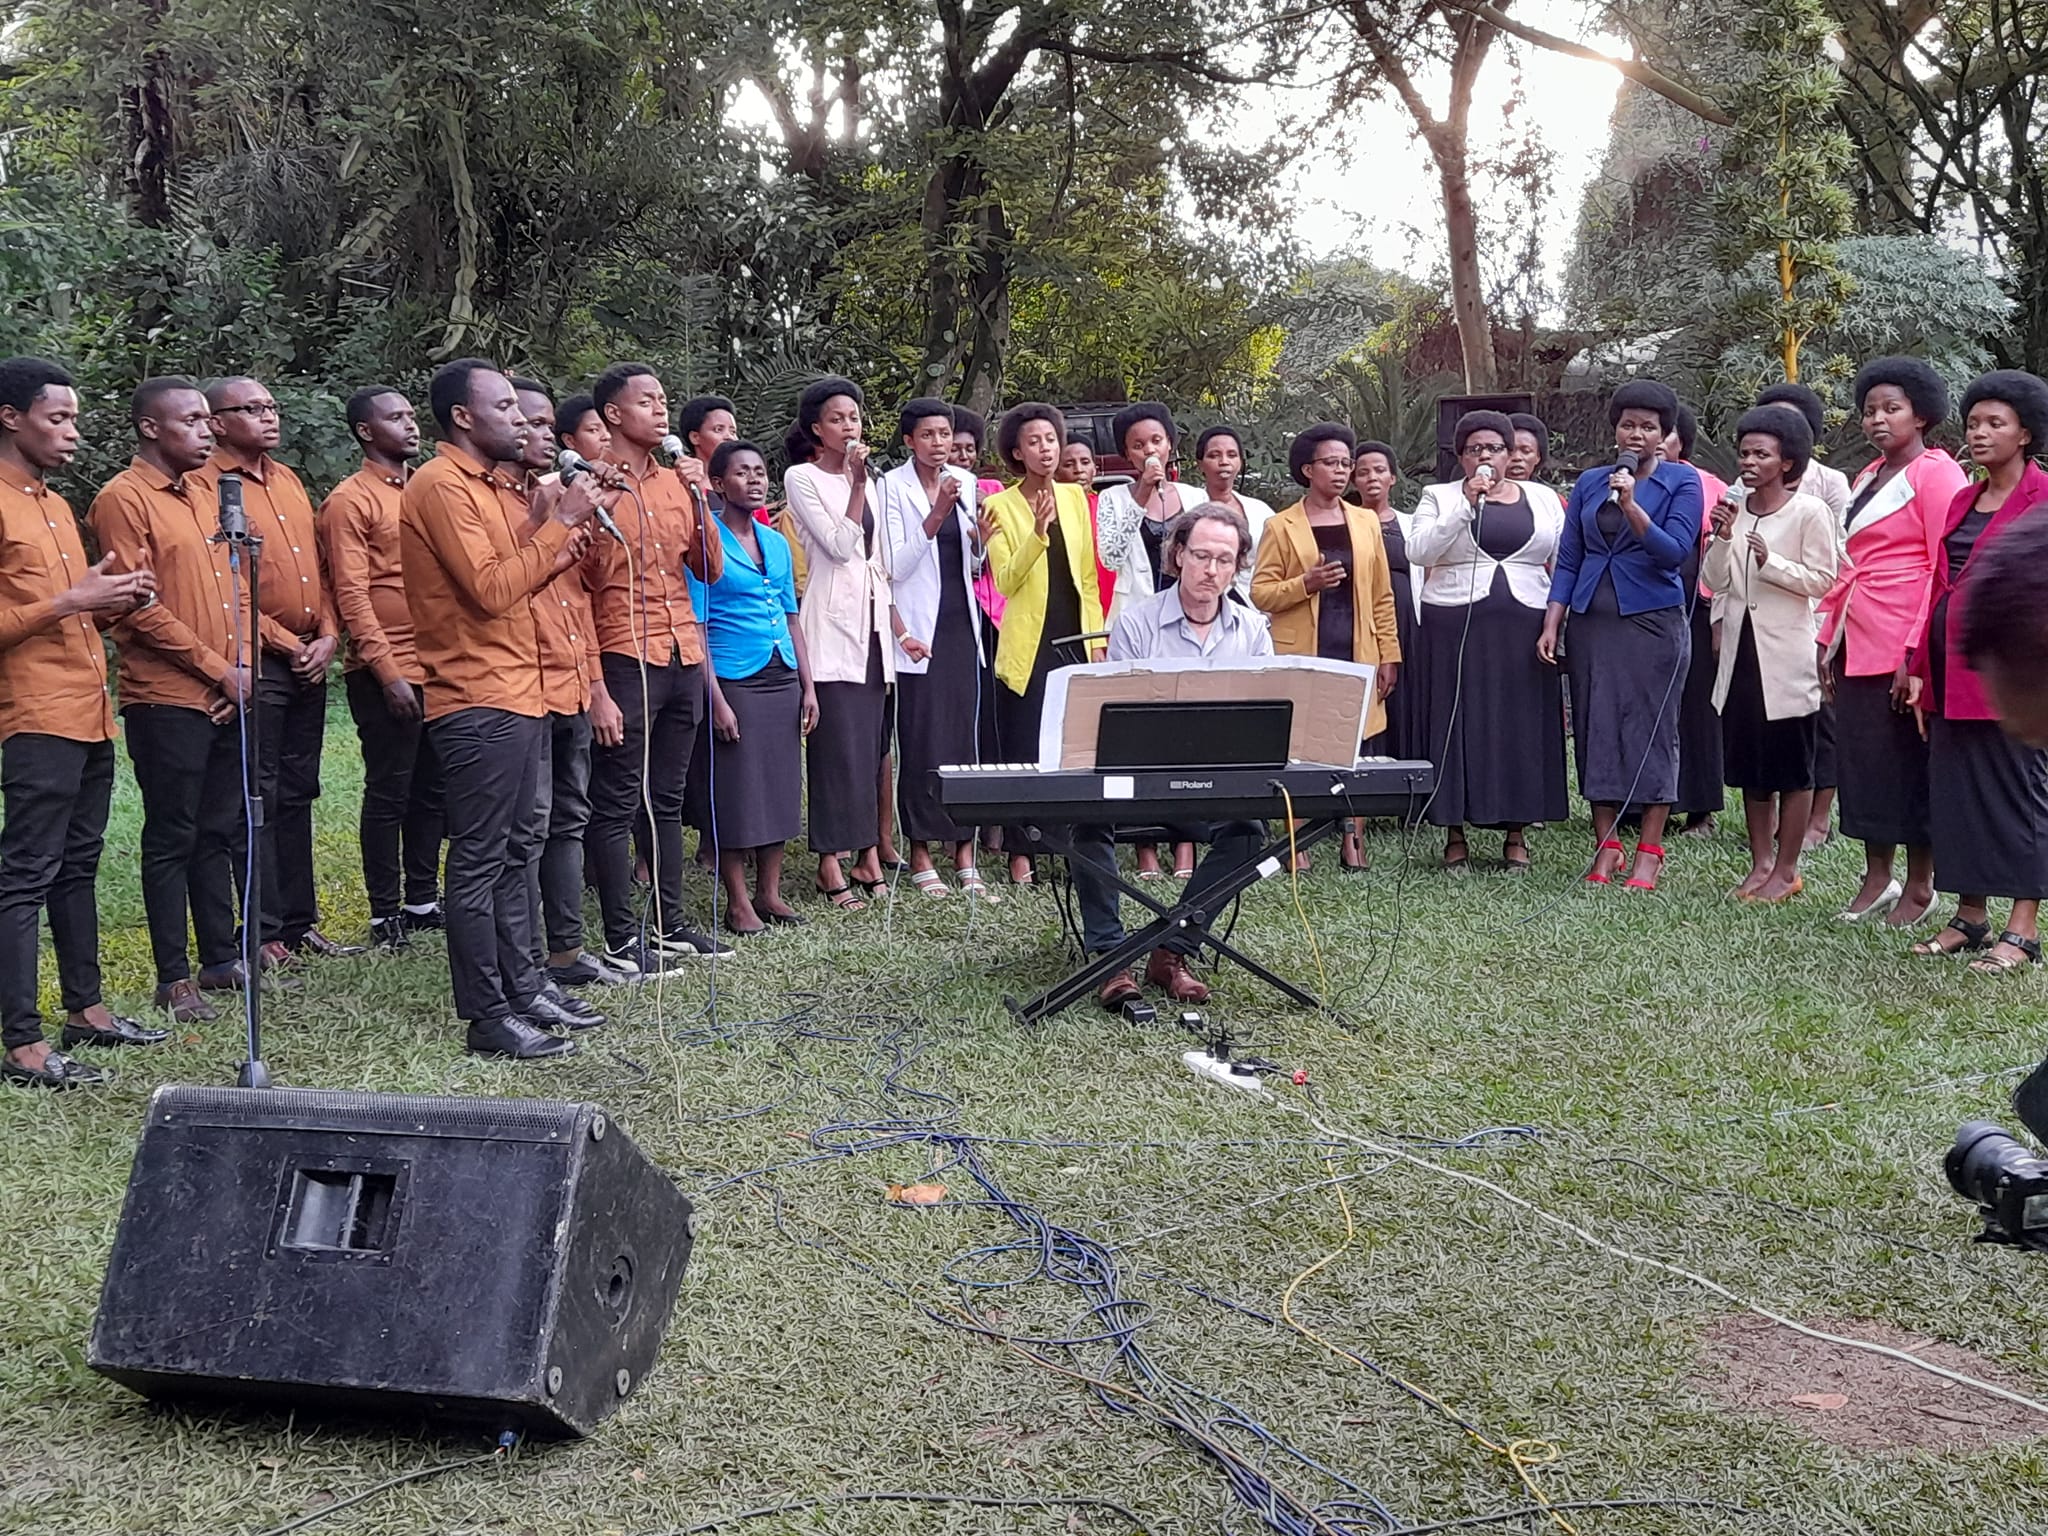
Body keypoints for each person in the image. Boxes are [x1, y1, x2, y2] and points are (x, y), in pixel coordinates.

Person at [400, 357, 603, 1060]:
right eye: (506, 409)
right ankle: (487, 1014)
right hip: (475, 695)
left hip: (522, 689)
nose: (520, 421)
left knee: (520, 848)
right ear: (463, 416)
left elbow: (521, 575)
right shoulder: (439, 485)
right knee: (482, 859)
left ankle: (525, 987)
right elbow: (488, 592)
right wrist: (556, 526)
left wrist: (551, 524)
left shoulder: (496, 488)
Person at [0, 357, 164, 1088]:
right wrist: (68, 604)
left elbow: (76, 609)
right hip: (33, 714)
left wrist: (116, 599)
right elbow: (37, 615)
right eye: (57, 417)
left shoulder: (55, 504)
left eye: (72, 417)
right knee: (25, 876)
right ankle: (23, 1044)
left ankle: (86, 1009)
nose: (71, 431)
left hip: (90, 709)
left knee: (79, 866)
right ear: (11, 417)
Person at [89, 378, 256, 1024]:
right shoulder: (124, 499)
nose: (208, 431)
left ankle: (221, 957)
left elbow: (236, 587)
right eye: (191, 420)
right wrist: (216, 670)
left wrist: (238, 666)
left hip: (221, 688)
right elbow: (136, 607)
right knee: (172, 835)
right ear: (150, 429)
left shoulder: (211, 492)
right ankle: (172, 977)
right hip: (165, 697)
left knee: (218, 828)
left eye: (209, 420)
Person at [1072, 504, 1272, 1008]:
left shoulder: (1251, 630)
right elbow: (1118, 717)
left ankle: (1172, 948)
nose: (1212, 570)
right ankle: (1111, 958)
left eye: (1225, 560)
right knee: (1086, 825)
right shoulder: (1137, 623)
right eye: (1201, 555)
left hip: (1216, 783)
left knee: (1249, 834)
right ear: (1178, 555)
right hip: (1141, 781)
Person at [196, 376, 360, 959]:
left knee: (299, 790)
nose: (269, 417)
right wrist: (286, 642)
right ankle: (260, 930)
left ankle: (298, 920)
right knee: (256, 794)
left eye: (271, 407)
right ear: (216, 421)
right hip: (258, 660)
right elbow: (225, 587)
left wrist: (330, 635)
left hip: (310, 657)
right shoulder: (209, 487)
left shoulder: (287, 478)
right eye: (251, 409)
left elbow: (321, 567)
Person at [583, 361, 732, 969]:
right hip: (623, 651)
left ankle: (672, 922)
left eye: (664, 399)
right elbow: (580, 587)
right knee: (618, 797)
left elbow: (709, 570)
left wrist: (700, 497)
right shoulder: (591, 486)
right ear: (614, 415)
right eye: (648, 400)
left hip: (682, 653)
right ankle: (620, 937)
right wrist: (595, 686)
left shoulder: (678, 482)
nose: (662, 409)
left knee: (667, 797)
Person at [1814, 356, 1969, 927]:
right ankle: (1877, 876)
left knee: (1908, 764)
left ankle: (1921, 885)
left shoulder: (1937, 472)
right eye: (1869, 410)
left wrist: (1915, 654)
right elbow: (1849, 563)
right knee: (1863, 764)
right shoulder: (1866, 476)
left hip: (1904, 637)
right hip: (1856, 634)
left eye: (1891, 409)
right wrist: (1826, 639)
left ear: (1921, 415)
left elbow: (1941, 565)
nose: (1877, 419)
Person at [1904, 370, 2048, 970]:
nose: (1980, 432)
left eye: (1996, 422)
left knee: (2019, 794)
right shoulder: (1964, 497)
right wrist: (1916, 663)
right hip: (1947, 671)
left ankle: (2024, 927)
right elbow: (1939, 584)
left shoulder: (2042, 501)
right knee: (1957, 796)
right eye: (1974, 422)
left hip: (2012, 674)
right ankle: (1971, 916)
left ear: (2026, 433)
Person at [1541, 380, 1702, 890]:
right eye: (1628, 424)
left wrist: (1632, 504)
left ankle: (1650, 850)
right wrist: (1553, 619)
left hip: (1654, 623)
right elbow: (1570, 555)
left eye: (1648, 427)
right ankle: (1606, 845)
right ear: (1615, 429)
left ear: (1664, 435)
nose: (1636, 434)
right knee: (1596, 727)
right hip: (1592, 623)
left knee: (1652, 729)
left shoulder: (1682, 483)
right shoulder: (1590, 481)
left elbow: (1674, 551)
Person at [505, 378, 633, 990]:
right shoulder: (500, 501)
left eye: (536, 421)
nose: (527, 432)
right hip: (517, 689)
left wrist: (597, 688)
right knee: (523, 830)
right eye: (518, 420)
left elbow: (578, 601)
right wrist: (552, 518)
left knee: (568, 817)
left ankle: (565, 950)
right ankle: (523, 966)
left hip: (572, 680)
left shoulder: (565, 498)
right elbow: (500, 591)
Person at [1413, 411, 1569, 869]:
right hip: (1454, 625)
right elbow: (1420, 551)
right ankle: (1455, 833)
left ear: (1511, 453)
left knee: (1519, 725)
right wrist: (1465, 504)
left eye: (1495, 448)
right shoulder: (1438, 496)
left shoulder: (1542, 498)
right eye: (1475, 449)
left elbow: (1562, 562)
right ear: (1460, 457)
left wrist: (1555, 623)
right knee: (1457, 721)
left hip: (1524, 626)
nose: (1486, 456)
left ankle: (1516, 833)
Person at [320, 385, 444, 952]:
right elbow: (352, 592)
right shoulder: (351, 500)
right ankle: (383, 910)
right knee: (389, 789)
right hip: (387, 667)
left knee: (431, 789)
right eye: (396, 418)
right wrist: (386, 669)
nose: (411, 425)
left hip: (439, 661)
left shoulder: (423, 491)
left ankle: (422, 898)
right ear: (366, 431)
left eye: (412, 416)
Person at [1703, 406, 1839, 902]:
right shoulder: (1733, 508)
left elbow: (1824, 580)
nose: (1749, 461)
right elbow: (1713, 580)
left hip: (1787, 657)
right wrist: (1721, 538)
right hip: (1740, 655)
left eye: (1762, 453)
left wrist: (1772, 562)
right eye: (1744, 452)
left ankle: (1788, 868)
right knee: (1750, 766)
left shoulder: (1809, 512)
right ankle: (1760, 864)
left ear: (1787, 461)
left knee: (1792, 767)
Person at [1252, 422, 1401, 872]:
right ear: (1307, 469)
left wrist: (1389, 652)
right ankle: (1298, 845)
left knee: (1353, 746)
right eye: (1330, 463)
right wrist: (1306, 583)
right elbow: (1261, 593)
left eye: (1345, 464)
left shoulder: (1365, 520)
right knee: (1298, 747)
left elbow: (1381, 594)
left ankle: (1352, 841)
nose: (1340, 472)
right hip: (1303, 653)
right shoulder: (1281, 525)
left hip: (1357, 649)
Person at [690, 441, 818, 933]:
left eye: (760, 471)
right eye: (742, 472)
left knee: (782, 786)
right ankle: (738, 900)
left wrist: (808, 686)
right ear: (719, 484)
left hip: (780, 672)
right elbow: (697, 627)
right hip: (733, 676)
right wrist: (715, 699)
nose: (754, 479)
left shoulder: (778, 542)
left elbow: (792, 617)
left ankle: (771, 893)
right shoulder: (706, 543)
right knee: (738, 792)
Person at [784, 376, 895, 909]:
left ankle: (867, 854)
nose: (849, 427)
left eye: (853, 417)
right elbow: (836, 545)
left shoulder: (872, 483)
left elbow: (878, 560)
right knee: (835, 752)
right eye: (837, 419)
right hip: (830, 628)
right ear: (816, 429)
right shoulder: (801, 477)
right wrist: (853, 484)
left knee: (871, 748)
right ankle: (830, 862)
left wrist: (898, 629)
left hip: (873, 630)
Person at [985, 403, 1107, 885]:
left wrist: (1096, 640)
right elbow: (1007, 580)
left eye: (1051, 439)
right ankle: (1021, 855)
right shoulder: (1000, 506)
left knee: (1072, 747)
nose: (1046, 449)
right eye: (1034, 442)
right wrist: (1037, 532)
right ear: (1017, 452)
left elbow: (1088, 578)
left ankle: (1067, 846)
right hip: (1029, 645)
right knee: (1027, 745)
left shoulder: (1076, 499)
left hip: (1076, 638)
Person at [881, 398, 996, 900]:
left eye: (945, 435)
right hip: (918, 632)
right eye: (928, 435)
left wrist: (983, 543)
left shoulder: (966, 483)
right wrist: (936, 513)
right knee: (922, 739)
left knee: (963, 744)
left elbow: (973, 567)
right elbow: (895, 567)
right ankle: (922, 852)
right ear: (909, 441)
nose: (939, 444)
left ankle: (965, 855)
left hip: (960, 626)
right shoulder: (891, 486)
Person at [1756, 381, 1852, 849]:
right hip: (1757, 625)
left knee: (1821, 725)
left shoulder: (1830, 485)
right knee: (1765, 725)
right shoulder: (1743, 485)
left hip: (1816, 617)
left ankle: (1817, 820)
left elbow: (1835, 561)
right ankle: (1770, 821)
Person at [1664, 403, 1727, 838]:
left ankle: (1700, 809)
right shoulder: (1625, 482)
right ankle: (1647, 803)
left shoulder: (1710, 485)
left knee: (1697, 709)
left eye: (1661, 431)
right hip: (1644, 608)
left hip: (1698, 607)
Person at [1096, 404, 1208, 622]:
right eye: (1138, 445)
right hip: (1137, 613)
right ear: (1127, 453)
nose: (1149, 450)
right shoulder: (1112, 498)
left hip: (1189, 613)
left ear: (1169, 443)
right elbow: (1111, 559)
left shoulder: (1196, 497)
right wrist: (1142, 494)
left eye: (1156, 441)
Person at [1350, 439, 1425, 762]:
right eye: (1363, 472)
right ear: (1354, 480)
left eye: (1380, 470)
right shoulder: (1346, 523)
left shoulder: (1411, 523)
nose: (1372, 478)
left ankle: (1407, 781)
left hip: (1409, 624)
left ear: (1392, 478)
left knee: (1408, 698)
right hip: (1362, 623)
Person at [1194, 423, 1276, 591]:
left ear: (1240, 462)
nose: (1224, 462)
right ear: (1200, 464)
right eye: (1214, 455)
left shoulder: (1260, 512)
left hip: (1253, 605)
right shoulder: (1188, 507)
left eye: (1231, 455)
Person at [1057, 435, 1116, 619]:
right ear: (1055, 472)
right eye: (1069, 464)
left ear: (1095, 469)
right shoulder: (1050, 511)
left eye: (1085, 462)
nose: (1079, 470)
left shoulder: (1108, 507)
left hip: (1111, 597)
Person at [1505, 413, 1551, 485]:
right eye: (1510, 451)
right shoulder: (1483, 493)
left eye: (1526, 451)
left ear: (1538, 457)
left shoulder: (1547, 495)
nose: (1517, 457)